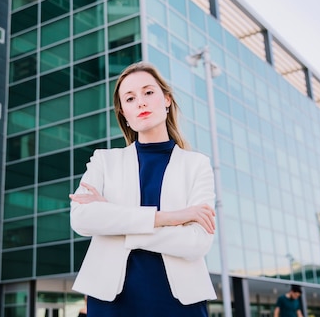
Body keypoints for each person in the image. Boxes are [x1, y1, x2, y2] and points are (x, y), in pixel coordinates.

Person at [69, 61, 217, 316]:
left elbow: (196, 242)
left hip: (180, 302)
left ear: (167, 99)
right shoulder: (104, 160)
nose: (141, 102)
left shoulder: (197, 164)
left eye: (148, 92)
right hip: (111, 301)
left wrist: (116, 220)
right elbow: (81, 218)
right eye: (130, 98)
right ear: (124, 113)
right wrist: (169, 218)